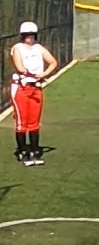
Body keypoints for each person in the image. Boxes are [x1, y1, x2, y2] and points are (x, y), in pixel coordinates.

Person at [10, 22, 58, 167]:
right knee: (22, 122)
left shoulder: (39, 48)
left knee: (34, 122)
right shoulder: (17, 48)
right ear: (22, 36)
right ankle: (22, 151)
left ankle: (35, 150)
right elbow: (20, 67)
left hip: (36, 88)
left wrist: (43, 74)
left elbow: (53, 62)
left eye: (32, 35)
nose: (30, 38)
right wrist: (31, 74)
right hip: (21, 88)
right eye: (27, 35)